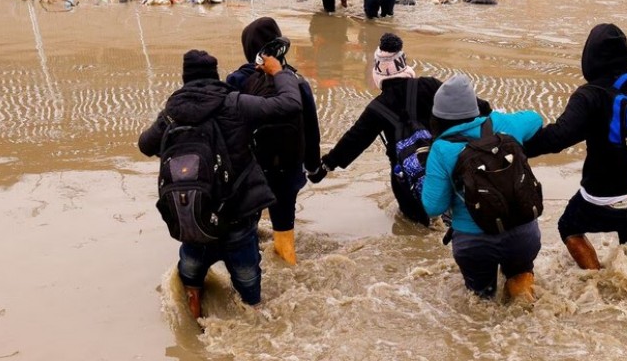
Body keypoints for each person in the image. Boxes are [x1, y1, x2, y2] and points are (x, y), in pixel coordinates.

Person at [138, 49, 301, 319]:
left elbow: (145, 145)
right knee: (249, 289)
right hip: (237, 216)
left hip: (194, 217)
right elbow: (289, 104)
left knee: (191, 273)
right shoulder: (234, 104)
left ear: (184, 78)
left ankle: (193, 312)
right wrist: (279, 73)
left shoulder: (171, 113)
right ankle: (254, 318)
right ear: (215, 75)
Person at [523, 23, 627, 269]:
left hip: (601, 199)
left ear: (588, 58)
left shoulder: (589, 95)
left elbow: (558, 137)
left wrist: (516, 146)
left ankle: (595, 279)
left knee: (569, 227)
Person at [306, 33, 490, 224]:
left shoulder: (376, 108)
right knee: (456, 219)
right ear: (403, 64)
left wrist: (324, 167)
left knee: (416, 230)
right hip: (445, 168)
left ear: (377, 71)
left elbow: (354, 140)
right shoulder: (430, 86)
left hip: (405, 182)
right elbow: (474, 107)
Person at [421, 74, 543, 301]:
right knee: (520, 277)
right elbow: (536, 119)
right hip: (523, 236)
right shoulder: (501, 124)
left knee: (482, 302)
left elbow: (432, 207)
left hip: (474, 244)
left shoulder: (440, 149)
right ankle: (523, 297)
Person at [226, 17, 322, 266]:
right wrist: (313, 166)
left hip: (251, 171)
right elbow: (311, 129)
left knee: (247, 229)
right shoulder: (296, 82)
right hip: (288, 171)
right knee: (283, 230)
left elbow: (229, 127)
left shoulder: (236, 81)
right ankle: (289, 268)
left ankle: (252, 279)